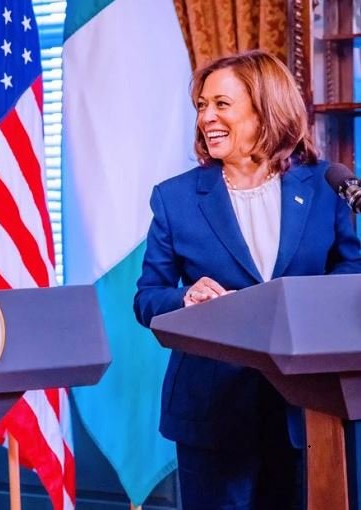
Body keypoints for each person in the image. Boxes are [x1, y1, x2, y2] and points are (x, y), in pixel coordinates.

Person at [133, 50, 361, 509]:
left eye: (222, 104)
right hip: (212, 412)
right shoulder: (175, 198)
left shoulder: (327, 186)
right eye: (201, 105)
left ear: (265, 109)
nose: (206, 118)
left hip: (310, 408)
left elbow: (350, 274)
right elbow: (147, 299)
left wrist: (307, 305)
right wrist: (186, 297)